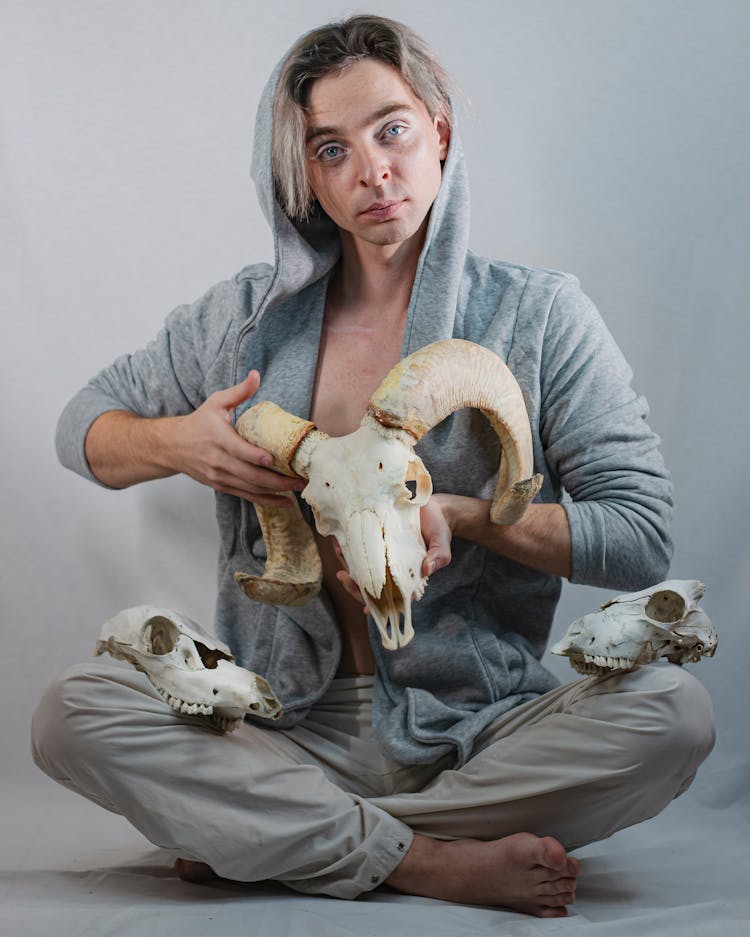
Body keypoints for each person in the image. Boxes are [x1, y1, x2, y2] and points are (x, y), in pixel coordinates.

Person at [32, 15, 715, 918]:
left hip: (474, 730)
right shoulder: (237, 321)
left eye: (391, 129)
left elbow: (640, 537)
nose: (372, 172)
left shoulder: (541, 315)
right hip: (279, 726)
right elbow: (82, 429)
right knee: (73, 713)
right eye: (330, 149)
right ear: (304, 176)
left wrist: (468, 516)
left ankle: (273, 836)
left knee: (674, 711)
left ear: (438, 126)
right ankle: (418, 856)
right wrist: (176, 442)